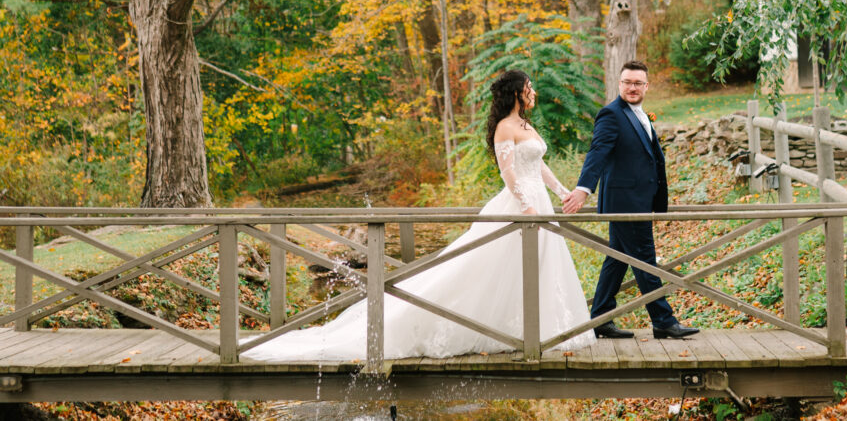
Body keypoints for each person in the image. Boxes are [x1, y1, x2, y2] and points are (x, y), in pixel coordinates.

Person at [246, 69, 596, 361]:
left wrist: (563, 192)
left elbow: (538, 165)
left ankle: (539, 330)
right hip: (520, 207)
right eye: (529, 88)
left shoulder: (525, 125)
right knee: (485, 268)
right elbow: (509, 173)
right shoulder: (506, 126)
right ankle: (493, 329)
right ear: (517, 93)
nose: (533, 92)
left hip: (538, 204)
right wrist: (528, 209)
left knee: (538, 265)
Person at [562, 60, 699, 340]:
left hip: (639, 200)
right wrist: (583, 189)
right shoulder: (610, 114)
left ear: (646, 86)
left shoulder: (642, 115)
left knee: (618, 260)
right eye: (627, 82)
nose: (632, 87)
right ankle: (663, 320)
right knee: (645, 259)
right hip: (624, 203)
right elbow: (597, 152)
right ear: (619, 84)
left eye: (638, 83)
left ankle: (600, 317)